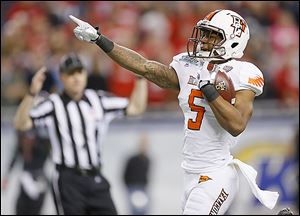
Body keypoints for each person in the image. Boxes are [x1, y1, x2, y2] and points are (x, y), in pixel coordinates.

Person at [69, 9, 280, 214]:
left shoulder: (242, 73)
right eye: (204, 33)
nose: (204, 40)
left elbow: (237, 125)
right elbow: (144, 67)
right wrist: (99, 39)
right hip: (190, 173)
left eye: (213, 36)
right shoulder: (188, 65)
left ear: (234, 41)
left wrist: (210, 91)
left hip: (216, 173)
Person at [14, 53, 148, 215]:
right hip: (68, 178)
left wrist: (140, 78)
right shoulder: (53, 104)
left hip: (95, 176)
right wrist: (31, 94)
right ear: (62, 77)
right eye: (71, 74)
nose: (76, 78)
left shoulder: (98, 100)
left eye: (79, 72)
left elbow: (135, 108)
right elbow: (21, 124)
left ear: (85, 74)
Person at [2, 126, 51, 215]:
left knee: (35, 210)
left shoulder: (42, 144)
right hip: (25, 179)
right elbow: (14, 159)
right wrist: (6, 177)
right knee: (20, 209)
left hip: (39, 179)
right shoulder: (22, 144)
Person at [123, 134, 151, 215]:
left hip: (143, 188)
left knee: (144, 211)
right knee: (135, 211)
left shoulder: (147, 159)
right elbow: (125, 174)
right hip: (132, 187)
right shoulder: (132, 159)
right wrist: (129, 187)